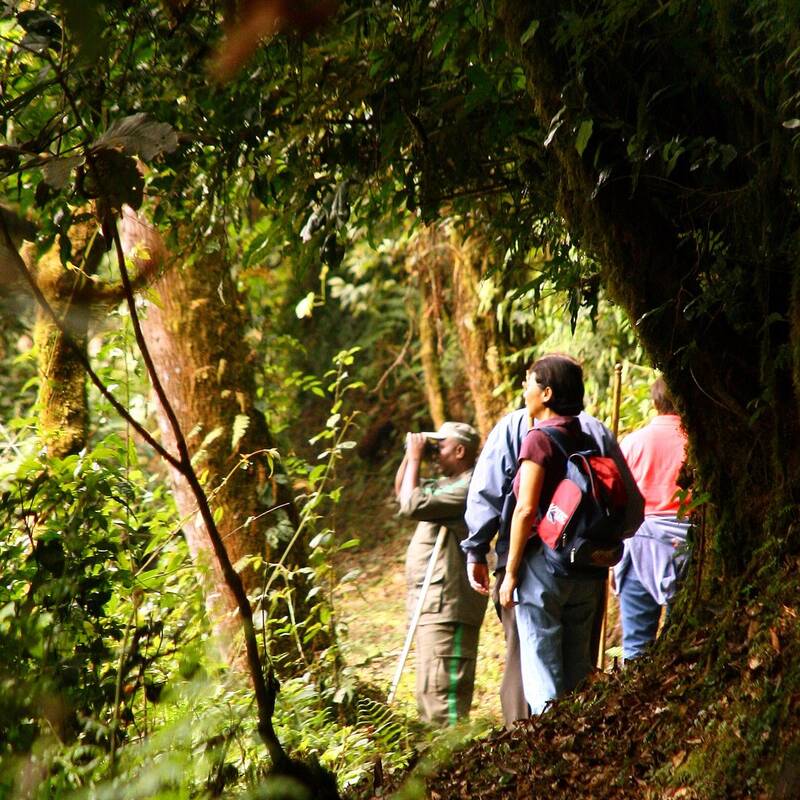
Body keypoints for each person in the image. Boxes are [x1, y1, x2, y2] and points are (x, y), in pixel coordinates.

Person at [463, 355, 644, 724]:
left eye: (528, 382)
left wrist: (482, 554)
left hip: (535, 564)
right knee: (578, 662)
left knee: (532, 660)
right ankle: (583, 736)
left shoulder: (524, 432)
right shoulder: (594, 432)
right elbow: (630, 505)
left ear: (546, 392)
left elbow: (511, 504)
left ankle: (537, 743)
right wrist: (602, 544)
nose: (523, 390)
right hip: (587, 566)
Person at [395, 421, 488, 725]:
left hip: (449, 605)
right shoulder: (449, 483)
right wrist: (411, 457)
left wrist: (416, 456)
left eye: (442, 446)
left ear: (460, 450)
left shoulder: (468, 487)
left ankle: (454, 762)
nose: (436, 453)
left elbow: (411, 505)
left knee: (443, 695)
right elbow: (403, 494)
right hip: (433, 603)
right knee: (427, 690)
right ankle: (438, 766)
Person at [614, 377, 690, 661]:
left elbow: (617, 502)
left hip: (639, 546)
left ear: (654, 403)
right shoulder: (697, 443)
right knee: (682, 635)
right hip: (687, 545)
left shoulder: (633, 443)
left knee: (636, 644)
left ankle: (632, 699)